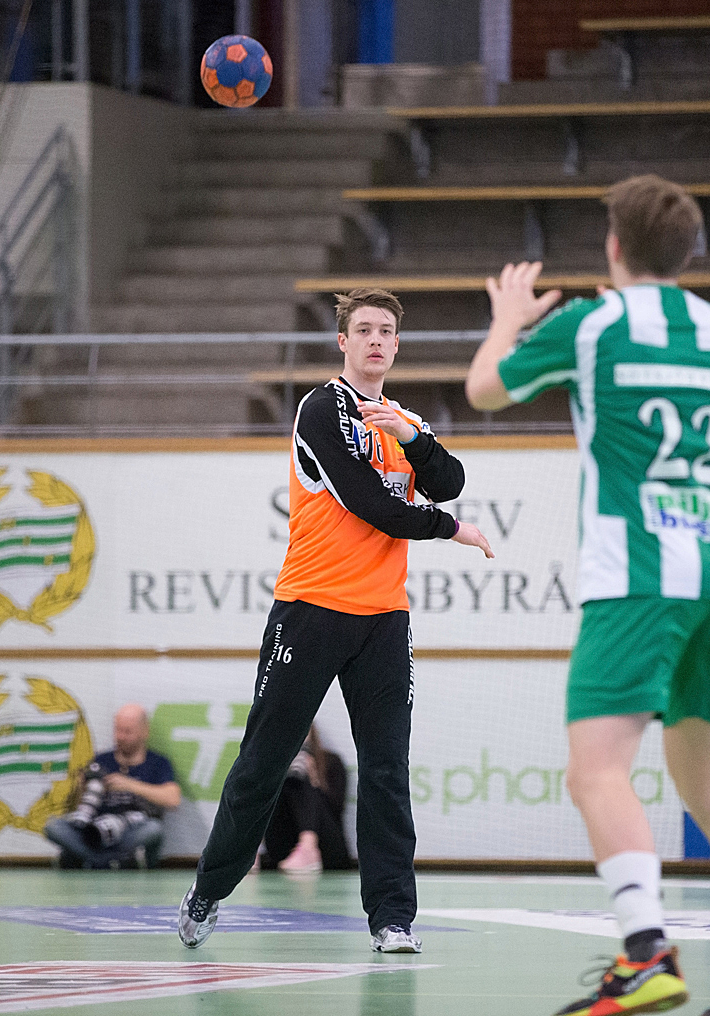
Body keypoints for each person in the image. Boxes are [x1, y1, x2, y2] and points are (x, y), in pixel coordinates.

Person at [465, 176, 710, 1016]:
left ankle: (645, 953)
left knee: (596, 773)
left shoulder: (591, 326)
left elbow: (482, 391)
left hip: (636, 577)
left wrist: (509, 320)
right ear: (686, 252)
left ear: (614, 247)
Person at [178, 287, 494, 953]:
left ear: (397, 345)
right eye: (365, 330)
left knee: (386, 769)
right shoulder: (321, 410)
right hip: (311, 610)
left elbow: (451, 479)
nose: (376, 340)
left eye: (386, 331)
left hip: (384, 619)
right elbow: (370, 503)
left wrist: (413, 438)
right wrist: (450, 529)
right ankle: (209, 888)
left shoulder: (402, 421)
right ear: (344, 342)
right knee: (265, 762)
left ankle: (392, 919)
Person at [44, 703, 181, 869]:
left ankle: (90, 859)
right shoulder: (101, 760)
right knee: (53, 826)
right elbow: (82, 808)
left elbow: (173, 799)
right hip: (95, 833)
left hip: (130, 831)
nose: (120, 737)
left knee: (153, 829)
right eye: (118, 730)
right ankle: (112, 861)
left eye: (128, 732)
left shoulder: (158, 763)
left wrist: (129, 785)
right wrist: (82, 787)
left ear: (144, 732)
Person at [256, 726, 353, 873]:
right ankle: (251, 850)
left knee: (298, 775)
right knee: (286, 779)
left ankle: (308, 847)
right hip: (285, 844)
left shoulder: (331, 761)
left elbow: (337, 808)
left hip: (326, 846)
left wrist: (314, 781)